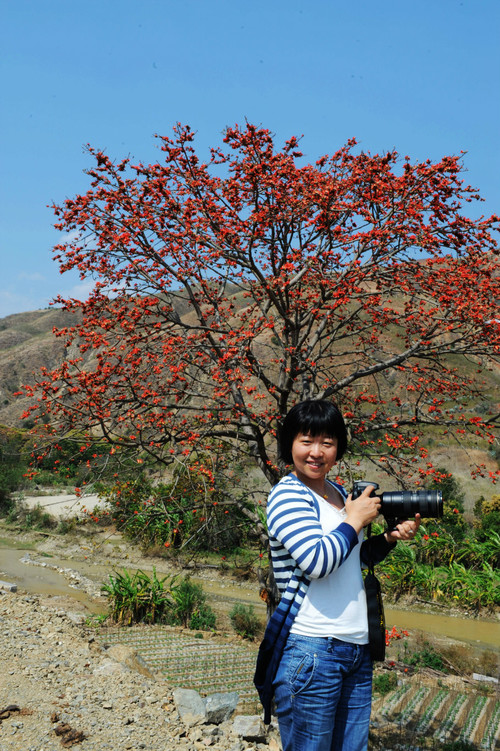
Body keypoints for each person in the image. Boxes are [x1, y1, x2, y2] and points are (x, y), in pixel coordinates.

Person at [254, 399, 420, 751]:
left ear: (338, 448)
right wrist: (356, 519)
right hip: (313, 650)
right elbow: (317, 562)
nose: (316, 452)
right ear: (290, 445)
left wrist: (389, 538)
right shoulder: (287, 495)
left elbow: (352, 558)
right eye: (306, 440)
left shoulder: (338, 494)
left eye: (327, 443)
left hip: (355, 649)